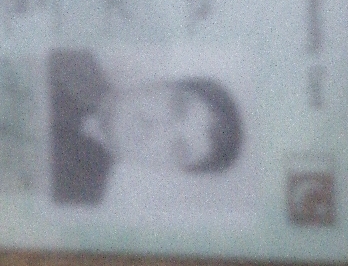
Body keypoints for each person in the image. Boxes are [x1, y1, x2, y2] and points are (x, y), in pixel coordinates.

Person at [49, 50, 243, 205]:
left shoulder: (77, 196)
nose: (160, 128)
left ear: (166, 169)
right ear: (161, 84)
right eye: (176, 107)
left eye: (178, 149)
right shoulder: (66, 58)